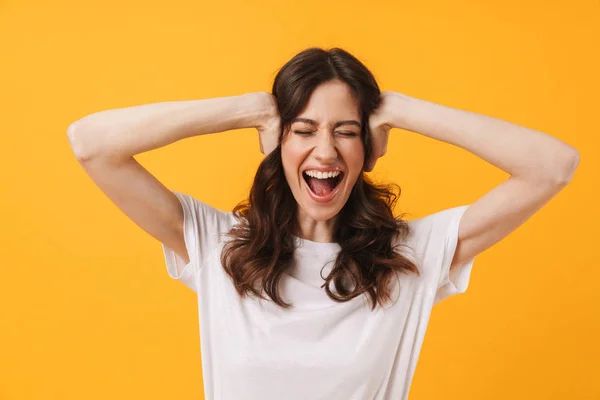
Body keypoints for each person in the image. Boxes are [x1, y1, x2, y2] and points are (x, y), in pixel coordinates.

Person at [67, 47, 579, 400]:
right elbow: (92, 144)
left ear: (368, 149)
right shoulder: (218, 246)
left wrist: (401, 110)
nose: (325, 150)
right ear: (279, 144)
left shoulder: (411, 257)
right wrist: (247, 109)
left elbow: (552, 166)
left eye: (347, 131)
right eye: (304, 130)